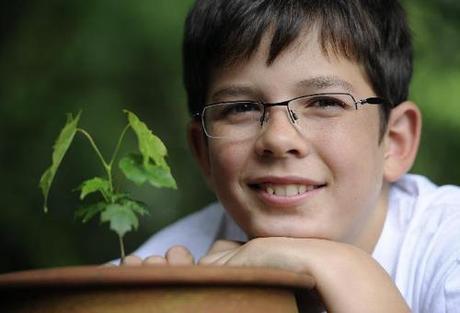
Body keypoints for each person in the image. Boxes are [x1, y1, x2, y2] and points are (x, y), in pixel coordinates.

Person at [122, 0, 460, 311]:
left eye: (325, 103)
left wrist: (350, 272)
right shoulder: (165, 274)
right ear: (203, 152)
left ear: (395, 142)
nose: (279, 139)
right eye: (241, 108)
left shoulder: (448, 252)